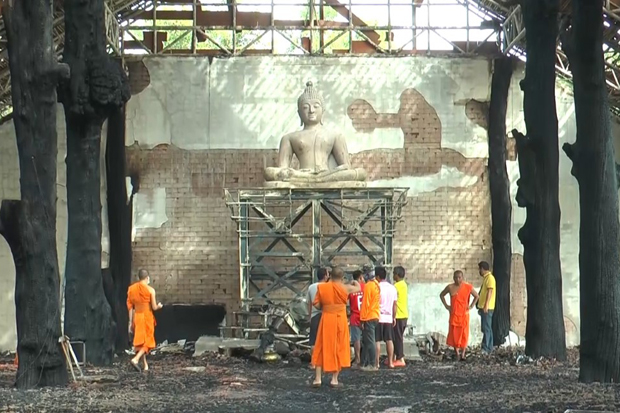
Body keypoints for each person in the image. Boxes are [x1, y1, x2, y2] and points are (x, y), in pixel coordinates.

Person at [311, 267, 361, 388]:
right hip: (340, 320)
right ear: (342, 277)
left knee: (321, 346)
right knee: (339, 347)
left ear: (330, 276)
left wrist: (326, 306)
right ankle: (334, 379)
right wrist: (355, 282)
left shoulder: (322, 287)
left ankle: (317, 379)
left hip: (326, 319)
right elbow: (359, 288)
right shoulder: (345, 287)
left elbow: (316, 305)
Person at [127, 269, 163, 372]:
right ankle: (135, 359)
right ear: (147, 278)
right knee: (148, 341)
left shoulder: (131, 289)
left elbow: (130, 307)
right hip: (146, 316)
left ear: (139, 278)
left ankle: (145, 365)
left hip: (136, 316)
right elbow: (154, 307)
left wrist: (130, 322)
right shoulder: (150, 290)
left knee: (140, 342)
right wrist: (159, 306)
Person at [439, 270, 479, 360]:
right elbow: (441, 295)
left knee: (464, 334)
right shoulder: (450, 287)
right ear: (453, 278)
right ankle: (457, 353)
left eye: (459, 277)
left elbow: (476, 296)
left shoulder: (468, 287)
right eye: (456, 277)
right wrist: (446, 306)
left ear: (462, 278)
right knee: (454, 334)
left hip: (464, 314)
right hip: (454, 314)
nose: (457, 279)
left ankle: (463, 354)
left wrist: (471, 306)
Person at [375, 266, 397, 369]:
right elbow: (394, 304)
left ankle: (377, 363)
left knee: (377, 340)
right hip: (388, 317)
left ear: (378, 276)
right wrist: (394, 317)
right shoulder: (392, 288)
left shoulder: (377, 287)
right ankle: (391, 362)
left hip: (378, 316)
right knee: (389, 340)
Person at [359, 266, 381, 371]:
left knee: (370, 341)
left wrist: (362, 319)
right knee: (367, 341)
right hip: (375, 315)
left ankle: (372, 364)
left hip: (369, 316)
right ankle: (363, 363)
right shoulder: (376, 285)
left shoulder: (368, 286)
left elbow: (365, 304)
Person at [308, 267, 330, 365]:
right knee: (326, 340)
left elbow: (309, 303)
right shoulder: (328, 286)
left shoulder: (311, 287)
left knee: (313, 340)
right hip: (326, 315)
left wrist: (309, 316)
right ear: (325, 276)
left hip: (314, 315)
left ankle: (314, 362)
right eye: (328, 274)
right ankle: (326, 361)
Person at [477, 261, 496, 354]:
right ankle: (489, 347)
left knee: (486, 328)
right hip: (485, 307)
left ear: (483, 269)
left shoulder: (490, 278)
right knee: (487, 328)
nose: (479, 271)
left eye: (479, 269)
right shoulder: (486, 278)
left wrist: (486, 305)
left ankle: (486, 347)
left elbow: (490, 291)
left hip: (487, 308)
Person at [348, 270, 365, 367]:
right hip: (365, 315)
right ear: (360, 277)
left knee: (356, 339)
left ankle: (357, 359)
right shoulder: (365, 287)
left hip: (355, 315)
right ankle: (365, 358)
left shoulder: (351, 289)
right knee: (367, 338)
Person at [392, 266, 408, 367]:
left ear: (397, 275)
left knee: (397, 338)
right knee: (397, 337)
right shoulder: (404, 285)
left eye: (394, 273)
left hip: (398, 315)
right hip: (404, 314)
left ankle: (400, 358)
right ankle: (394, 357)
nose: (393, 275)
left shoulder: (396, 286)